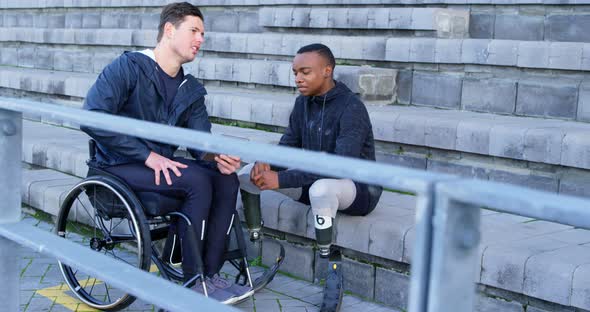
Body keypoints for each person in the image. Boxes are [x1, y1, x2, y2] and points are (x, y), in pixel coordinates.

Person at [81, 2, 251, 304]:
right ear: (169, 30)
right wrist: (147, 156)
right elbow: (92, 117)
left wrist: (219, 157)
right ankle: (192, 279)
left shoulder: (190, 88)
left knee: (225, 179)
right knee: (197, 181)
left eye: (203, 33)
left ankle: (209, 275)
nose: (201, 39)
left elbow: (201, 143)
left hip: (159, 167)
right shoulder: (129, 67)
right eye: (194, 31)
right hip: (116, 164)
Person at [238, 43, 383, 257]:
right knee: (247, 173)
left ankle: (325, 255)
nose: (298, 78)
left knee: (321, 189)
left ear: (327, 71)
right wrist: (268, 163)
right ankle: (254, 243)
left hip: (358, 189)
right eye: (295, 73)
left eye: (305, 72)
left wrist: (281, 179)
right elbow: (288, 146)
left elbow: (340, 167)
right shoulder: (302, 103)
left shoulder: (352, 108)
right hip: (314, 179)